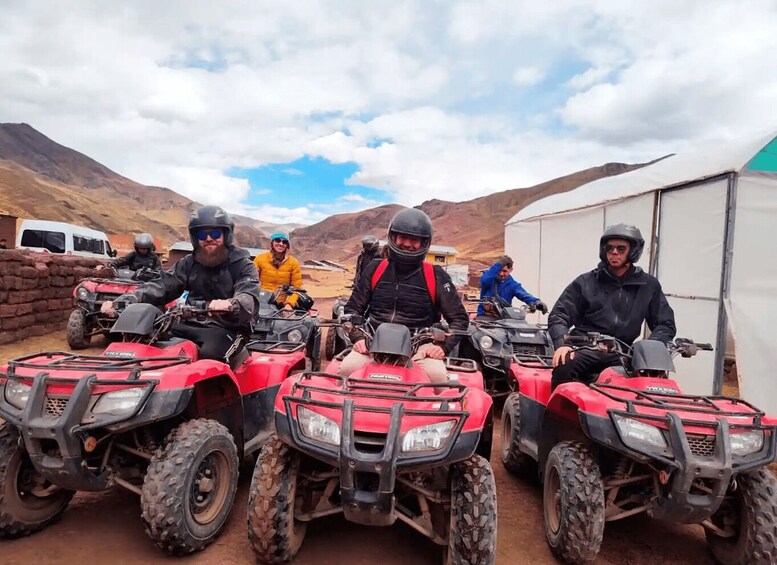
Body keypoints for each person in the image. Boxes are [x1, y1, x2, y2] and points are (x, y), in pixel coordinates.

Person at [101, 206, 261, 361]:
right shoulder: (189, 263)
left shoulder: (243, 264)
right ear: (195, 238)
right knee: (149, 341)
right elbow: (162, 285)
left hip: (229, 328)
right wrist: (126, 300)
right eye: (202, 235)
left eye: (214, 233)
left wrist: (231, 304)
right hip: (189, 323)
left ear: (226, 235)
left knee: (210, 357)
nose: (208, 239)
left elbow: (248, 297)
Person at [340, 208, 470, 384]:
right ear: (393, 237)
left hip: (419, 348)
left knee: (438, 379)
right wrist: (358, 338)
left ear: (425, 243)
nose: (407, 244)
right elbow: (353, 309)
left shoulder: (436, 275)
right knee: (347, 369)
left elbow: (459, 320)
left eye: (414, 240)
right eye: (402, 237)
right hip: (373, 344)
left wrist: (442, 347)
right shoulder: (375, 269)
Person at [548, 224, 676, 390]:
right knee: (564, 365)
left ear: (633, 251)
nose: (614, 252)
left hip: (623, 353)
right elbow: (559, 314)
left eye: (621, 248)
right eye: (610, 248)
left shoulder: (648, 285)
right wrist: (562, 343)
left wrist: (651, 347)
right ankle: (557, 416)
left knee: (654, 379)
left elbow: (665, 323)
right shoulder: (586, 282)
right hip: (586, 349)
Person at [477, 255, 547, 317]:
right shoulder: (489, 279)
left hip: (503, 320)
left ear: (511, 270)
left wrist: (536, 302)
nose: (501, 274)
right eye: (499, 270)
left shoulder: (512, 284)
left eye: (504, 271)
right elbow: (484, 279)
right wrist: (498, 264)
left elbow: (523, 294)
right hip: (485, 318)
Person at [253, 230, 303, 311]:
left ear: (287, 245)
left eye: (284, 242)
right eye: (277, 240)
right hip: (260, 301)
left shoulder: (294, 263)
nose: (281, 244)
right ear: (272, 242)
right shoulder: (260, 258)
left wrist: (289, 304)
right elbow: (251, 281)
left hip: (281, 305)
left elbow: (297, 288)